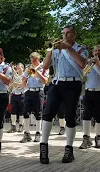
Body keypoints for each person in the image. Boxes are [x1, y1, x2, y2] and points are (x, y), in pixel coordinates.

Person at [40, 25, 89, 164]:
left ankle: (69, 149)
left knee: (70, 116)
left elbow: (83, 62)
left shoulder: (81, 48)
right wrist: (51, 50)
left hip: (73, 85)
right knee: (48, 113)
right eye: (63, 33)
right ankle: (43, 147)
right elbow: (45, 66)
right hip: (56, 83)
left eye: (68, 33)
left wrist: (67, 48)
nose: (65, 36)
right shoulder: (57, 49)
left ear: (74, 34)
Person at [79, 45, 100, 149]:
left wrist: (97, 64)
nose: (97, 52)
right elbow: (82, 75)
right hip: (88, 92)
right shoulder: (88, 62)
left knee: (99, 116)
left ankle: (98, 138)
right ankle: (86, 138)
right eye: (96, 51)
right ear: (92, 52)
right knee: (86, 115)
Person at [20, 52, 49, 143]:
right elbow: (23, 80)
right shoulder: (29, 68)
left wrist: (37, 72)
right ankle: (27, 133)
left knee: (38, 112)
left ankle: (38, 133)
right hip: (29, 92)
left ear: (38, 60)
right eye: (32, 60)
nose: (33, 62)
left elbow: (45, 81)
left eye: (34, 60)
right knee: (25, 112)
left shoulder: (44, 68)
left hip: (39, 91)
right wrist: (24, 83)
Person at [7, 63, 25, 133]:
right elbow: (10, 85)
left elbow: (23, 85)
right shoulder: (14, 76)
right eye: (17, 68)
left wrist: (15, 84)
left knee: (21, 111)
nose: (17, 69)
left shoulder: (24, 75)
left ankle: (21, 125)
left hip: (21, 94)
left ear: (22, 68)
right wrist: (11, 84)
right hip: (14, 94)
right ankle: (13, 126)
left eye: (19, 68)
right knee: (13, 111)